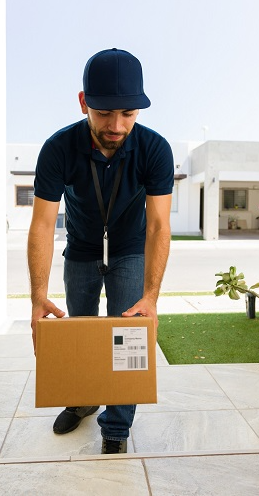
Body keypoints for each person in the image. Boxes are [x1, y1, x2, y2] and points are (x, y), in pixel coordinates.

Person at [28, 48, 174, 454]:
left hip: (129, 249)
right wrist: (38, 296)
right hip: (81, 249)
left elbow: (160, 226)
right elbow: (42, 223)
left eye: (127, 113)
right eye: (105, 112)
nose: (116, 124)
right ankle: (83, 399)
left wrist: (151, 297)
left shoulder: (155, 149)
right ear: (83, 103)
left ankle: (116, 428)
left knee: (129, 341)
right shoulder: (58, 148)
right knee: (81, 331)